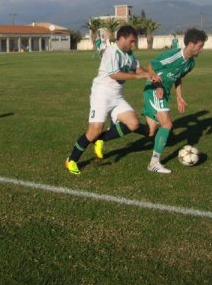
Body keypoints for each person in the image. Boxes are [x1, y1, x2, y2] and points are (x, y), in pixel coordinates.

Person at [65, 25, 159, 175]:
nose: (133, 44)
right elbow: (115, 74)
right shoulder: (111, 51)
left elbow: (137, 69)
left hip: (116, 96)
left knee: (133, 123)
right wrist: (139, 76)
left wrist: (149, 75)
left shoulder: (128, 54)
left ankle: (101, 139)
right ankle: (71, 160)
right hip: (101, 94)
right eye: (132, 41)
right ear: (121, 38)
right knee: (94, 130)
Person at [142, 28, 208, 174]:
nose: (202, 49)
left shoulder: (190, 63)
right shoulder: (174, 56)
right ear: (191, 44)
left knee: (151, 130)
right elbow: (150, 66)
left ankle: (113, 131)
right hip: (154, 91)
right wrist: (157, 84)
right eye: (200, 46)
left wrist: (179, 97)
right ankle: (154, 163)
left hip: (164, 94)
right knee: (167, 124)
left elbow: (177, 77)